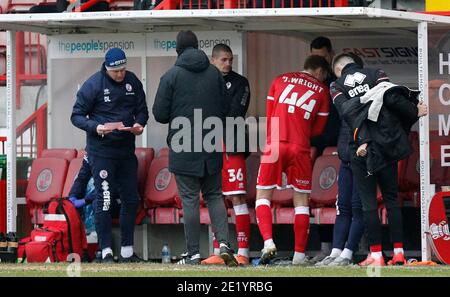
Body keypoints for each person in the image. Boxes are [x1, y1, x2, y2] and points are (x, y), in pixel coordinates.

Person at [330, 53, 428, 266]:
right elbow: (394, 99)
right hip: (386, 145)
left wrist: (363, 138)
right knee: (392, 199)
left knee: (368, 203)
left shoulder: (336, 86)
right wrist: (415, 112)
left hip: (360, 149)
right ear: (358, 65)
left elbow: (347, 113)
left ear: (338, 70)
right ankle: (399, 253)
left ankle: (376, 256)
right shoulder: (376, 74)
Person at [152, 30, 237, 267]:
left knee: (189, 200)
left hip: (183, 145)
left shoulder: (171, 76)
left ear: (178, 50)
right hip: (210, 143)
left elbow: (159, 114)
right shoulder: (214, 74)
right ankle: (224, 245)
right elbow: (226, 107)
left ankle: (193, 253)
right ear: (198, 47)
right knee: (214, 196)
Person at [71, 47, 149, 263]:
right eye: (116, 71)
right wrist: (96, 127)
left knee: (130, 200)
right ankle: (105, 251)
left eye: (123, 70)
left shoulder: (132, 81)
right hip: (101, 152)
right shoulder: (93, 84)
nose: (120, 75)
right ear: (107, 68)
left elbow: (143, 110)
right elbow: (76, 115)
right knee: (104, 199)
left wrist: (139, 124)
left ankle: (126, 252)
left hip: (126, 151)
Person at [255, 55, 330, 265]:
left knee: (263, 196)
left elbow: (270, 116)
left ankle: (268, 242)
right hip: (300, 147)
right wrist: (301, 132)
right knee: (301, 201)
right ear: (320, 72)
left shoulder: (279, 80)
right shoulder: (322, 90)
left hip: (274, 144)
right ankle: (298, 255)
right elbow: (319, 129)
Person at [200, 44, 251, 266]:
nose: (228, 63)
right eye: (223, 60)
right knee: (215, 198)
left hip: (233, 146)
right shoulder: (203, 81)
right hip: (210, 146)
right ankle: (219, 250)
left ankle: (243, 252)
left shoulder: (240, 82)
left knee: (237, 197)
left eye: (230, 59)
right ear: (213, 60)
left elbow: (235, 112)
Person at [315, 53, 366, 267]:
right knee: (343, 206)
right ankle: (336, 252)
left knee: (356, 206)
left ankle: (347, 253)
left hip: (362, 155)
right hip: (346, 155)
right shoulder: (336, 88)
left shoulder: (366, 85)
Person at [309, 36, 341, 263]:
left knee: (339, 198)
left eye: (322, 57)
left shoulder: (336, 83)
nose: (319, 62)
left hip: (337, 146)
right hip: (317, 147)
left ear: (330, 55)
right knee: (318, 196)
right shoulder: (309, 83)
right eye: (315, 57)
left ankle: (343, 247)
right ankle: (325, 246)